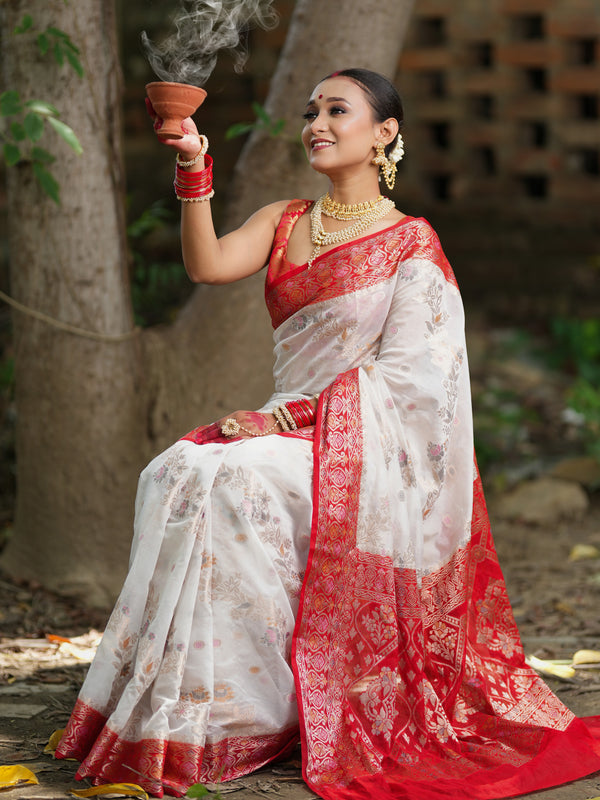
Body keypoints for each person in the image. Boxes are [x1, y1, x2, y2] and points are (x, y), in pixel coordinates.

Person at [56, 68, 600, 799]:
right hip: (287, 429)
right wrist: (192, 166)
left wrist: (284, 420)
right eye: (312, 110)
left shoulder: (411, 244)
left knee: (235, 476)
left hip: (366, 450)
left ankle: (262, 708)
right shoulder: (287, 220)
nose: (316, 122)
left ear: (384, 135)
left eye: (337, 110)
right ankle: (201, 710)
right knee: (175, 469)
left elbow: (415, 385)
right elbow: (207, 263)